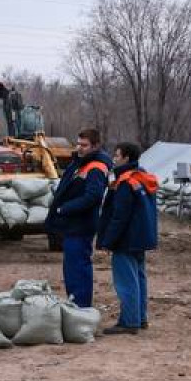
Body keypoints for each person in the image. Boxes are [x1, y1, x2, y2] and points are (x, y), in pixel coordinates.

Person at [97, 141, 159, 335]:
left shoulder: (125, 182)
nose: (114, 159)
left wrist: (108, 241)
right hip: (141, 238)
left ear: (126, 158)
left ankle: (129, 322)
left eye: (117, 156)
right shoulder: (142, 177)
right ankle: (140, 318)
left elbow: (120, 216)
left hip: (126, 240)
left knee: (126, 282)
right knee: (139, 278)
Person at [45, 128, 111, 308]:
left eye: (84, 145)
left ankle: (81, 308)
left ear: (96, 146)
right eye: (78, 144)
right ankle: (75, 304)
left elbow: (93, 197)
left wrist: (65, 208)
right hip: (72, 225)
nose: (79, 148)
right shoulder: (81, 162)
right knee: (71, 270)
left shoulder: (96, 167)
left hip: (81, 226)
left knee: (78, 270)